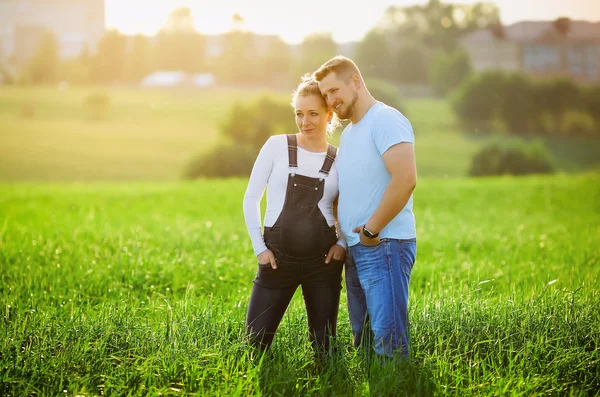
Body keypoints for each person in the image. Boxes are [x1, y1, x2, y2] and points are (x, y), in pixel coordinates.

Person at [314, 56, 417, 357]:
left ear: (355, 82)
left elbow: (406, 178)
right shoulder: (349, 133)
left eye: (334, 90)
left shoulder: (385, 119)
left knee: (389, 341)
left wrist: (372, 228)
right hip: (358, 249)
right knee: (366, 343)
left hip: (384, 244)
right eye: (325, 95)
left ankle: (400, 389)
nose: (331, 101)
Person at [242, 74, 346, 353]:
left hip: (322, 266)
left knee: (324, 348)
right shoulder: (276, 146)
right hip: (276, 262)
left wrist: (342, 244)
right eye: (299, 113)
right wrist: (260, 249)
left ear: (329, 114)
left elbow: (349, 207)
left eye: (313, 113)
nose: (305, 121)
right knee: (254, 344)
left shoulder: (340, 159)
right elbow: (251, 198)